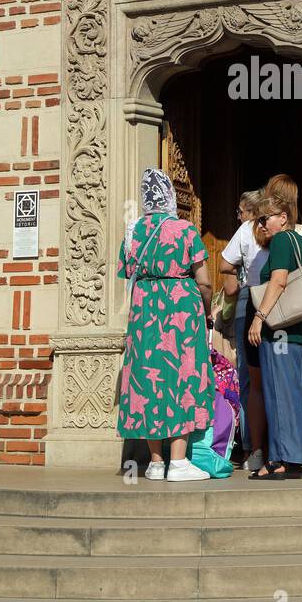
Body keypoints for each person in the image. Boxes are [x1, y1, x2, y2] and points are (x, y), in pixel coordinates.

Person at [117, 167, 213, 482]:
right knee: (181, 376)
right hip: (181, 310)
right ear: (170, 195)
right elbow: (204, 281)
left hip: (144, 310)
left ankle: (156, 462)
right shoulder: (185, 230)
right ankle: (180, 462)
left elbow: (126, 271)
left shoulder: (133, 231)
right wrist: (207, 309)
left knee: (148, 380)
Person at [247, 188, 302, 480]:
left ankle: (279, 460)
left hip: (281, 334)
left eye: (265, 218)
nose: (261, 225)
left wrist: (259, 317)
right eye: (258, 220)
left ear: (283, 217)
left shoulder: (280, 240)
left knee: (280, 395)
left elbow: (278, 281)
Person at [220, 190, 264, 471]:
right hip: (280, 300)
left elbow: (225, 265)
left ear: (250, 212)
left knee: (248, 377)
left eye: (240, 212)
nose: (238, 217)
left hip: (250, 299)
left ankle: (251, 449)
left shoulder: (246, 230)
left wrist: (234, 288)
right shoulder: (294, 229)